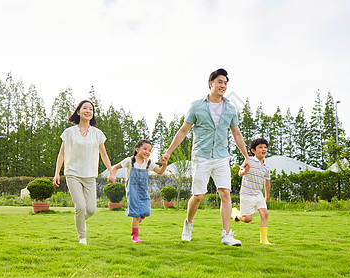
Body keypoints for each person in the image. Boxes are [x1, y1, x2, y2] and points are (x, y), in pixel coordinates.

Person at [160, 68, 250, 246]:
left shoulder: (230, 108)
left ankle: (226, 234)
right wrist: (168, 152)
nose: (223, 85)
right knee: (198, 195)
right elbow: (183, 130)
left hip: (222, 156)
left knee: (225, 192)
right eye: (219, 82)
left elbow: (237, 134)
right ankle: (188, 223)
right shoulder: (197, 106)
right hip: (201, 156)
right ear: (211, 84)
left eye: (225, 83)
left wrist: (246, 156)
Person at [52, 100, 112, 245]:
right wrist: (57, 173)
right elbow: (62, 154)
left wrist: (111, 171)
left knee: (91, 210)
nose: (88, 111)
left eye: (90, 109)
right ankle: (82, 238)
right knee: (80, 207)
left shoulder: (97, 134)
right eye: (84, 108)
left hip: (90, 175)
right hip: (72, 173)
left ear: (93, 114)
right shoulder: (69, 132)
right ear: (78, 112)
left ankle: (79, 220)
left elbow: (103, 154)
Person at [107, 140, 167, 243]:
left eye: (149, 150)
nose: (147, 152)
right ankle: (134, 237)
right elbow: (116, 167)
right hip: (132, 191)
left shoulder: (149, 162)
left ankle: (138, 219)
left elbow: (160, 172)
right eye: (145, 149)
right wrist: (112, 175)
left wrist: (164, 165)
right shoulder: (130, 161)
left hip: (143, 191)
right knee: (136, 215)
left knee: (147, 212)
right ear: (137, 149)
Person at [231, 138, 271, 244]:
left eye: (265, 147)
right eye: (260, 147)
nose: (264, 149)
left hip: (258, 194)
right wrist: (245, 170)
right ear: (253, 150)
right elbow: (240, 173)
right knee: (248, 219)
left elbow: (267, 182)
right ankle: (235, 214)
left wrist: (266, 196)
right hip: (246, 194)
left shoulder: (266, 167)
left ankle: (264, 240)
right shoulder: (249, 160)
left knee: (265, 213)